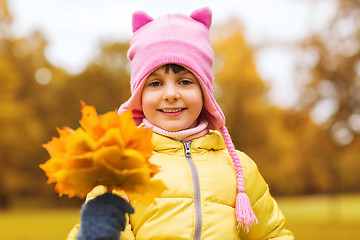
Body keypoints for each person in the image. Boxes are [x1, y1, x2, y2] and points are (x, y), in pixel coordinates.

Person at [67, 7, 294, 240]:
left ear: (205, 92)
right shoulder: (121, 168)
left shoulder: (239, 169)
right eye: (155, 83)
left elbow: (272, 234)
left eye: (185, 81)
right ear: (139, 96)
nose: (171, 94)